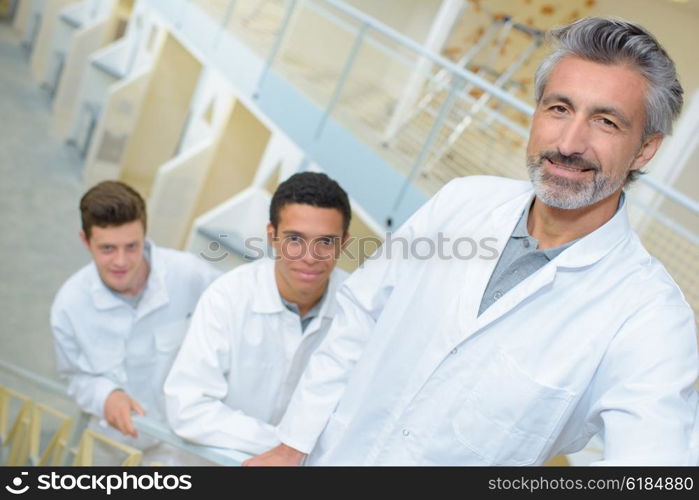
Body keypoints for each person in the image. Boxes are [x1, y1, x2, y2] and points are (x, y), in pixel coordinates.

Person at [245, 18, 698, 466]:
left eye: (605, 121)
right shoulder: (461, 201)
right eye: (559, 108)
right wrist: (294, 443)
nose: (568, 142)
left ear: (645, 149)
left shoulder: (650, 317)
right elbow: (360, 317)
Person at [164, 172, 351, 455]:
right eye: (295, 239)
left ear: (345, 243)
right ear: (272, 236)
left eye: (326, 242)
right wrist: (288, 447)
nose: (310, 257)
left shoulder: (358, 309)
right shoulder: (227, 298)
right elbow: (188, 409)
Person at [51, 180, 220, 459]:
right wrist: (106, 396)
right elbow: (75, 375)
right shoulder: (69, 305)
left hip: (179, 441)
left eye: (132, 246)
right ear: (85, 241)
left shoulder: (191, 275)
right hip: (111, 441)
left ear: (144, 233)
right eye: (107, 248)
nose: (121, 261)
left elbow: (237, 318)